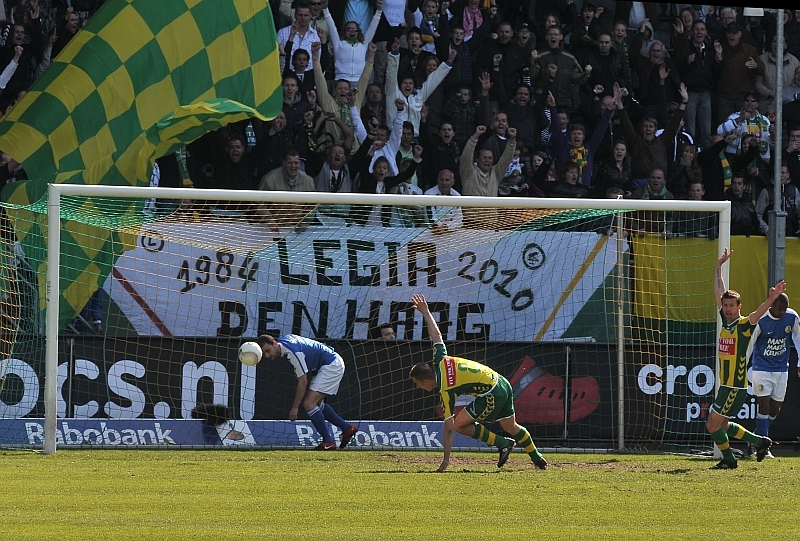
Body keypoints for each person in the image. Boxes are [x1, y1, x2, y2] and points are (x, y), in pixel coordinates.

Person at [408, 293, 547, 472]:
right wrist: (426, 311)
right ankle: (537, 458)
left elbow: (449, 429)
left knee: (459, 424)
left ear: (426, 381)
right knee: (510, 426)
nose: (418, 387)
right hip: (502, 382)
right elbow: (437, 335)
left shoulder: (445, 389)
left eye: (418, 384)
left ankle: (503, 444)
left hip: (491, 394)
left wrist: (445, 461)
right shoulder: (440, 359)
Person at [708, 248, 783, 469]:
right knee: (723, 424)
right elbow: (719, 289)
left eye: (732, 306)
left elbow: (757, 314)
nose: (728, 309)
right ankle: (760, 442)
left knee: (712, 425)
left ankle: (729, 460)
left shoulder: (743, 325)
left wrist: (771, 299)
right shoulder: (726, 320)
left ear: (739, 307)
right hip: (728, 384)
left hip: (734, 386)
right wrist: (719, 266)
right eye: (726, 305)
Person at [255, 334, 358, 450]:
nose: (268, 355)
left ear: (274, 343)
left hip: (331, 364)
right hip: (328, 363)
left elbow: (303, 381)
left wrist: (295, 407)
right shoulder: (285, 341)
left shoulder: (292, 353)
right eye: (264, 354)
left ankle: (329, 442)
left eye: (268, 351)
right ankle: (347, 428)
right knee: (317, 404)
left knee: (309, 403)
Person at [748, 292, 800, 458]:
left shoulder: (791, 317)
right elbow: (750, 343)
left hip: (781, 369)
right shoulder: (761, 320)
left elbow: (798, 337)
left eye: (784, 309)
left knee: (775, 409)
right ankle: (763, 447)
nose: (782, 312)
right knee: (764, 405)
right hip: (761, 368)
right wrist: (742, 366)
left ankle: (754, 438)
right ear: (771, 306)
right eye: (779, 309)